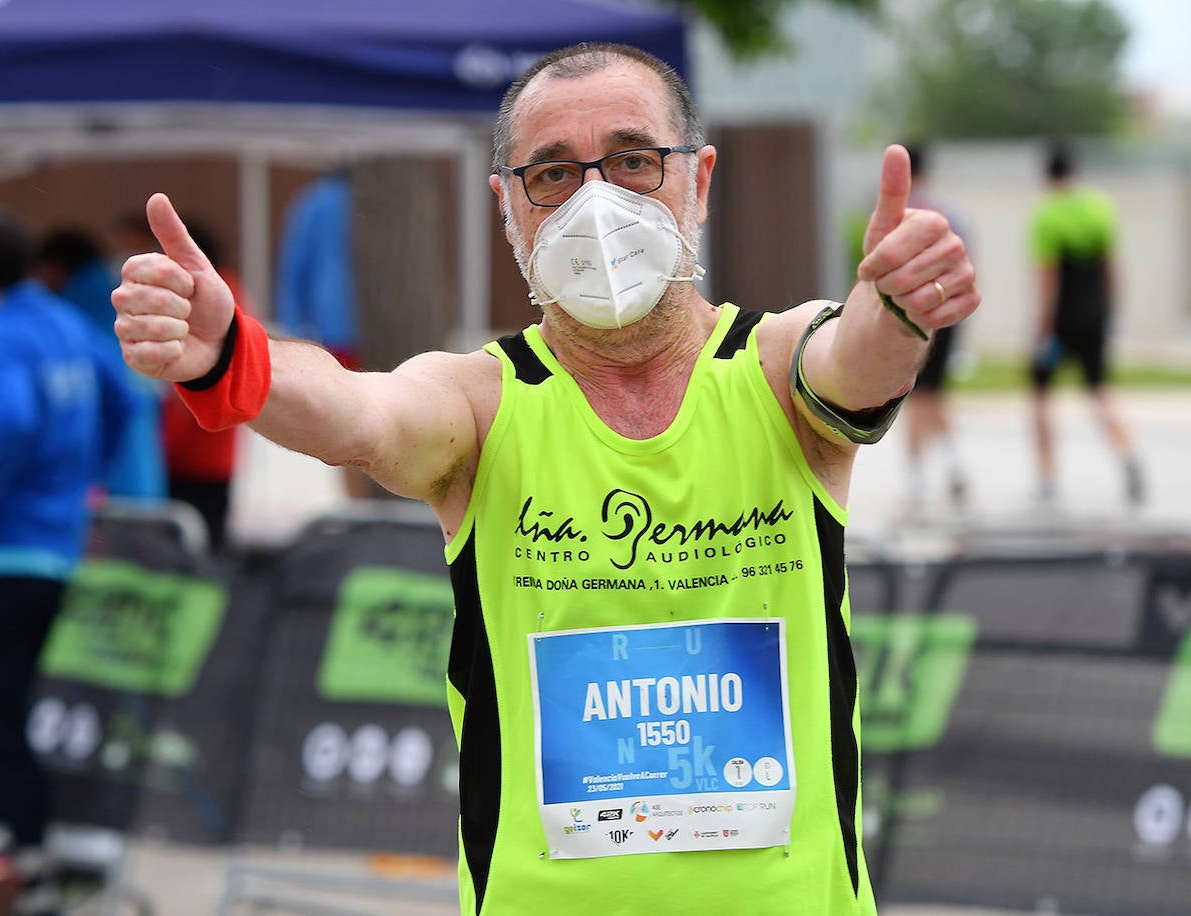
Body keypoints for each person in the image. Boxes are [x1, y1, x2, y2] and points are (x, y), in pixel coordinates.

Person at [112, 43, 978, 914]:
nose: (597, 201)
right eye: (553, 174)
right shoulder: (484, 403)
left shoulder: (773, 366)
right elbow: (357, 413)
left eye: (634, 161)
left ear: (699, 180)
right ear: (508, 206)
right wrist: (231, 356)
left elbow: (857, 364)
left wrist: (896, 308)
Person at [0, 209, 136, 916]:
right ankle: (17, 863)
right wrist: (82, 479)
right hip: (53, 546)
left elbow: (10, 417)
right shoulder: (60, 322)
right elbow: (122, 399)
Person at [1028, 141, 1142, 506]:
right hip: (1095, 315)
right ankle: (1128, 457)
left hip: (1060, 321)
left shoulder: (1048, 215)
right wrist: (1112, 311)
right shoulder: (1099, 207)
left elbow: (1049, 279)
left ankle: (1048, 478)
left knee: (1040, 395)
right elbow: (1111, 267)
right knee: (1100, 389)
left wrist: (1043, 325)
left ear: (1048, 176)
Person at [37, 227, 168, 502]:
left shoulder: (72, 320)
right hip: (145, 480)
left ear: (55, 269)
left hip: (105, 489)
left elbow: (119, 401)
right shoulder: (123, 305)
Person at [274, 169, 374, 499]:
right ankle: (360, 498)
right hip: (352, 329)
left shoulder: (315, 201)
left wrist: (294, 326)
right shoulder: (368, 198)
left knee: (350, 420)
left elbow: (294, 265)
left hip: (335, 329)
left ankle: (354, 499)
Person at [160, 219, 242, 551]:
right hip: (216, 447)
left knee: (194, 549)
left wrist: (168, 447)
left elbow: (194, 376)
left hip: (195, 450)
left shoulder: (212, 295)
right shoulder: (230, 288)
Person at [899, 140, 971, 514]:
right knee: (932, 396)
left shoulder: (905, 212)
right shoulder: (948, 211)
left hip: (918, 316)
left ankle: (915, 489)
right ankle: (954, 467)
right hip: (948, 313)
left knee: (916, 397)